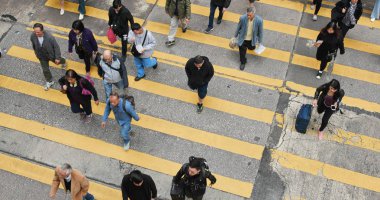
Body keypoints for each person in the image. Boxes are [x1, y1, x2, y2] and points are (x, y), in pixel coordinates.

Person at [31, 23, 67, 91]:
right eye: (35, 32)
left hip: (51, 55)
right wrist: (36, 53)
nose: (36, 34)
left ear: (42, 30)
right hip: (42, 56)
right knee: (45, 69)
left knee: (58, 62)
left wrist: (57, 57)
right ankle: (49, 81)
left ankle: (63, 61)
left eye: (38, 32)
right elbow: (34, 45)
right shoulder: (33, 36)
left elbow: (56, 47)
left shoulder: (50, 37)